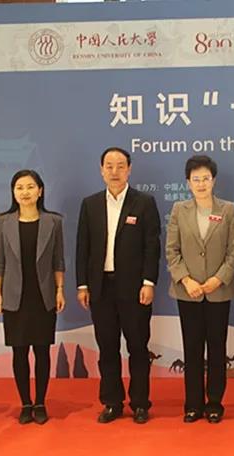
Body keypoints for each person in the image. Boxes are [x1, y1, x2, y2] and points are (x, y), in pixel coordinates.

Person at [76, 147, 161, 424]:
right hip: (101, 288)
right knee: (107, 348)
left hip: (135, 289)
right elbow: (83, 247)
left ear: (129, 169)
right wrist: (82, 285)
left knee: (138, 348)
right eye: (109, 166)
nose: (115, 171)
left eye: (120, 165)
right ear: (101, 170)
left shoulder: (144, 203)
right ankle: (112, 402)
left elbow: (152, 247)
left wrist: (149, 282)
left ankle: (140, 403)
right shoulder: (90, 204)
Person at [165, 155, 234, 424]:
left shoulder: (228, 209)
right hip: (188, 292)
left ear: (213, 180)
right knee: (192, 348)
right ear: (188, 182)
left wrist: (218, 279)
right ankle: (193, 404)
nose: (201, 184)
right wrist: (186, 280)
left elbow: (233, 251)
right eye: (195, 179)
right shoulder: (179, 209)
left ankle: (215, 403)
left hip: (218, 291)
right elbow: (172, 250)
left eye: (205, 178)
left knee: (217, 349)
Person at [0, 169, 65, 425]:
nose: (25, 192)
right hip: (15, 297)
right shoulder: (3, 223)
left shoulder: (53, 222)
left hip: (43, 296)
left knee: (42, 351)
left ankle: (40, 402)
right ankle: (25, 403)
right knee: (19, 352)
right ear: (13, 192)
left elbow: (58, 260)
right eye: (20, 187)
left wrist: (59, 289)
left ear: (40, 191)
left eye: (30, 187)